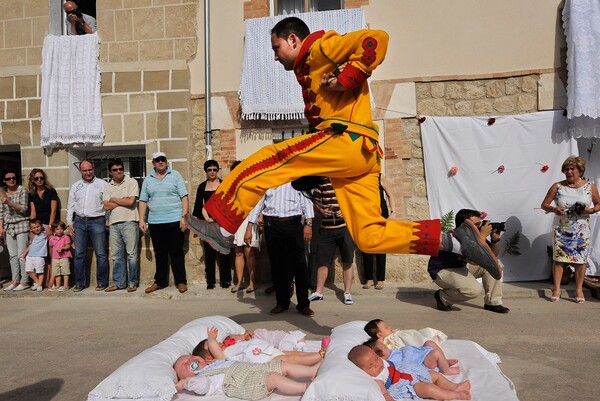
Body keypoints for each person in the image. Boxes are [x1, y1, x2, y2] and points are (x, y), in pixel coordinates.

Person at [185, 17, 502, 284]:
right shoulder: (310, 67)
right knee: (369, 235)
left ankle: (224, 225)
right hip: (361, 157)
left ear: (293, 39)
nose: (274, 55)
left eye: (276, 47)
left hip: (345, 140)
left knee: (270, 159)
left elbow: (376, 39)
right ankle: (457, 241)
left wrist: (344, 79)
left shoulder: (321, 48)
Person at [174, 327, 320, 401]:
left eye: (189, 357)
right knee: (275, 377)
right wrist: (185, 383)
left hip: (254, 369)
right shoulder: (204, 377)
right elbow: (202, 386)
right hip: (247, 383)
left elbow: (219, 350)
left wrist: (214, 340)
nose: (189, 360)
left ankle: (311, 371)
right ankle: (305, 387)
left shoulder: (218, 363)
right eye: (185, 365)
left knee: (284, 365)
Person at [243, 183, 314, 316]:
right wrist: (249, 227)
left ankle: (303, 304)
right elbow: (258, 204)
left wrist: (309, 224)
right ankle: (282, 303)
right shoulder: (268, 180)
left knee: (300, 265)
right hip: (272, 225)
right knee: (277, 265)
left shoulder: (297, 179)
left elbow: (307, 201)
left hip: (293, 224)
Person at [541, 156, 600, 303]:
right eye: (566, 169)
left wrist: (590, 210)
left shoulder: (589, 187)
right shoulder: (557, 186)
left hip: (582, 230)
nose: (569, 172)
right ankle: (556, 289)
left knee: (580, 260)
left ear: (580, 170)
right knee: (559, 259)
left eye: (572, 169)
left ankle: (579, 289)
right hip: (562, 229)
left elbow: (599, 204)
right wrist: (554, 209)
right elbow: (544, 204)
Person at [427, 209, 509, 313]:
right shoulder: (455, 237)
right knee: (473, 290)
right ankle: (442, 297)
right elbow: (474, 259)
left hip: (461, 266)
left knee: (492, 266)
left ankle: (492, 303)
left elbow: (492, 256)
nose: (479, 227)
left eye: (480, 224)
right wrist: (482, 237)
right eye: (476, 224)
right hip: (443, 270)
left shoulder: (475, 236)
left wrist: (495, 240)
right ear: (464, 225)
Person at [347, 345, 471, 401]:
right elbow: (384, 394)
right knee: (429, 389)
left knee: (435, 375)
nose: (377, 364)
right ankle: (453, 395)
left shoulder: (381, 362)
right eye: (370, 366)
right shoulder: (377, 379)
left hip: (413, 373)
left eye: (376, 359)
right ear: (362, 371)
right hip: (408, 386)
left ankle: (454, 386)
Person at [139, 151, 189, 294]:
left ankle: (181, 281)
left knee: (176, 252)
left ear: (166, 161)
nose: (160, 162)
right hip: (155, 222)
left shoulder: (176, 175)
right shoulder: (148, 179)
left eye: (163, 159)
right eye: (157, 160)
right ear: (153, 163)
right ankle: (160, 282)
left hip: (174, 220)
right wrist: (141, 219)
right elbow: (143, 200)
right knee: (160, 253)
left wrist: (184, 217)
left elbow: (184, 197)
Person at [308, 177, 356, 305]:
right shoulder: (321, 182)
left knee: (347, 261)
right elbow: (315, 203)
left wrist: (344, 211)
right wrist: (322, 211)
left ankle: (347, 293)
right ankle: (318, 293)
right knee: (322, 262)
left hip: (344, 228)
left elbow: (354, 201)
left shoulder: (345, 181)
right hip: (325, 229)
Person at [66, 160, 108, 292]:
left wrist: (107, 219)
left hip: (97, 221)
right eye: (85, 170)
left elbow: (108, 204)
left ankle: (102, 282)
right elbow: (70, 205)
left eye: (90, 170)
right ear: (80, 171)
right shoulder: (76, 186)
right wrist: (69, 222)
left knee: (101, 254)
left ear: (93, 169)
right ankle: (79, 282)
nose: (88, 172)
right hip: (79, 222)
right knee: (79, 254)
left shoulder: (102, 184)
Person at [364, 319, 459, 375]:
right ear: (379, 335)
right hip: (420, 360)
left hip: (418, 352)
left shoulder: (391, 337)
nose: (389, 327)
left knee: (430, 343)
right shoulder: (383, 345)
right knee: (435, 353)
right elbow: (386, 349)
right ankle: (447, 370)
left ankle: (444, 362)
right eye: (385, 328)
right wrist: (381, 340)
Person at [191, 327, 324, 366]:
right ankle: (320, 357)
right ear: (209, 358)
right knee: (293, 359)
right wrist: (211, 339)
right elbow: (215, 347)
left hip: (267, 350)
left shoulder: (227, 346)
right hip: (264, 359)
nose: (216, 342)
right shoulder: (222, 359)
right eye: (211, 345)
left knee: (295, 355)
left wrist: (243, 337)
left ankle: (319, 355)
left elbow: (236, 339)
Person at [192, 160, 231, 290]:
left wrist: (222, 219)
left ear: (217, 170)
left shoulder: (224, 184)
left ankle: (226, 280)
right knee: (209, 253)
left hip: (222, 223)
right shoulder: (202, 187)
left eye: (215, 169)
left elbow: (228, 204)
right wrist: (205, 221)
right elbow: (200, 206)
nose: (212, 172)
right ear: (206, 171)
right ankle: (211, 281)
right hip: (208, 223)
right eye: (209, 170)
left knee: (224, 251)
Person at [103, 158, 140, 293]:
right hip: (113, 224)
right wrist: (122, 200)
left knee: (132, 254)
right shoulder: (108, 186)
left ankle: (132, 282)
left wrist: (113, 199)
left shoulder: (132, 182)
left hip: (130, 221)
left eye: (120, 169)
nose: (118, 172)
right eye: (115, 170)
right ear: (110, 172)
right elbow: (106, 206)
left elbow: (131, 202)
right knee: (116, 255)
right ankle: (119, 283)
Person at [230, 161, 259, 293]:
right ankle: (239, 282)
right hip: (236, 219)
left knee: (249, 250)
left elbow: (258, 201)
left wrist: (260, 217)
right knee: (238, 251)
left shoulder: (251, 183)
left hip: (250, 218)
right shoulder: (231, 186)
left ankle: (252, 282)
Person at [362, 174, 396, 290]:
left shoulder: (379, 177)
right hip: (366, 215)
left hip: (381, 215)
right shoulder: (360, 178)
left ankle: (380, 279)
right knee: (366, 246)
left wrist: (393, 212)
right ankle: (369, 279)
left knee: (381, 246)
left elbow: (390, 195)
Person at [28, 168, 58, 287]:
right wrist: (32, 229)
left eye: (41, 178)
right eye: (36, 178)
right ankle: (42, 282)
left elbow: (54, 210)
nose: (39, 180)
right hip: (37, 227)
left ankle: (52, 281)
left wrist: (50, 227)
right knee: (39, 256)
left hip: (48, 225)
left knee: (50, 255)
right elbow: (33, 212)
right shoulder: (32, 194)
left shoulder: (51, 191)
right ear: (33, 180)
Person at [1, 171, 31, 291]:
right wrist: (1, 227)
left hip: (21, 224)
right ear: (4, 181)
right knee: (12, 256)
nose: (12, 180)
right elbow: (1, 212)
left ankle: (25, 281)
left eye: (14, 178)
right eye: (8, 179)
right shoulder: (2, 192)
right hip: (9, 226)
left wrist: (9, 202)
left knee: (21, 255)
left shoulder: (22, 190)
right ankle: (15, 280)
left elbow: (23, 208)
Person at [22, 219, 48, 292]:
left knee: (40, 271)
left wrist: (43, 227)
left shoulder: (45, 234)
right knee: (28, 270)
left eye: (38, 226)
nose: (36, 229)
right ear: (31, 229)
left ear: (41, 226)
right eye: (34, 228)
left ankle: (40, 285)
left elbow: (49, 227)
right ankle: (37, 282)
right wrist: (25, 252)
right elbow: (31, 245)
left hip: (39, 256)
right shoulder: (33, 236)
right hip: (30, 256)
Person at [47, 221, 72, 292]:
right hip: (55, 258)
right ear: (54, 230)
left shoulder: (66, 237)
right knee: (56, 272)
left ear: (63, 229)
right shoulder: (52, 239)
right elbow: (51, 248)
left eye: (61, 229)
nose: (59, 231)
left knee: (65, 272)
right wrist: (51, 256)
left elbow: (68, 246)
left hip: (64, 257)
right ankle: (58, 285)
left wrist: (63, 248)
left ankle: (66, 285)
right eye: (57, 229)